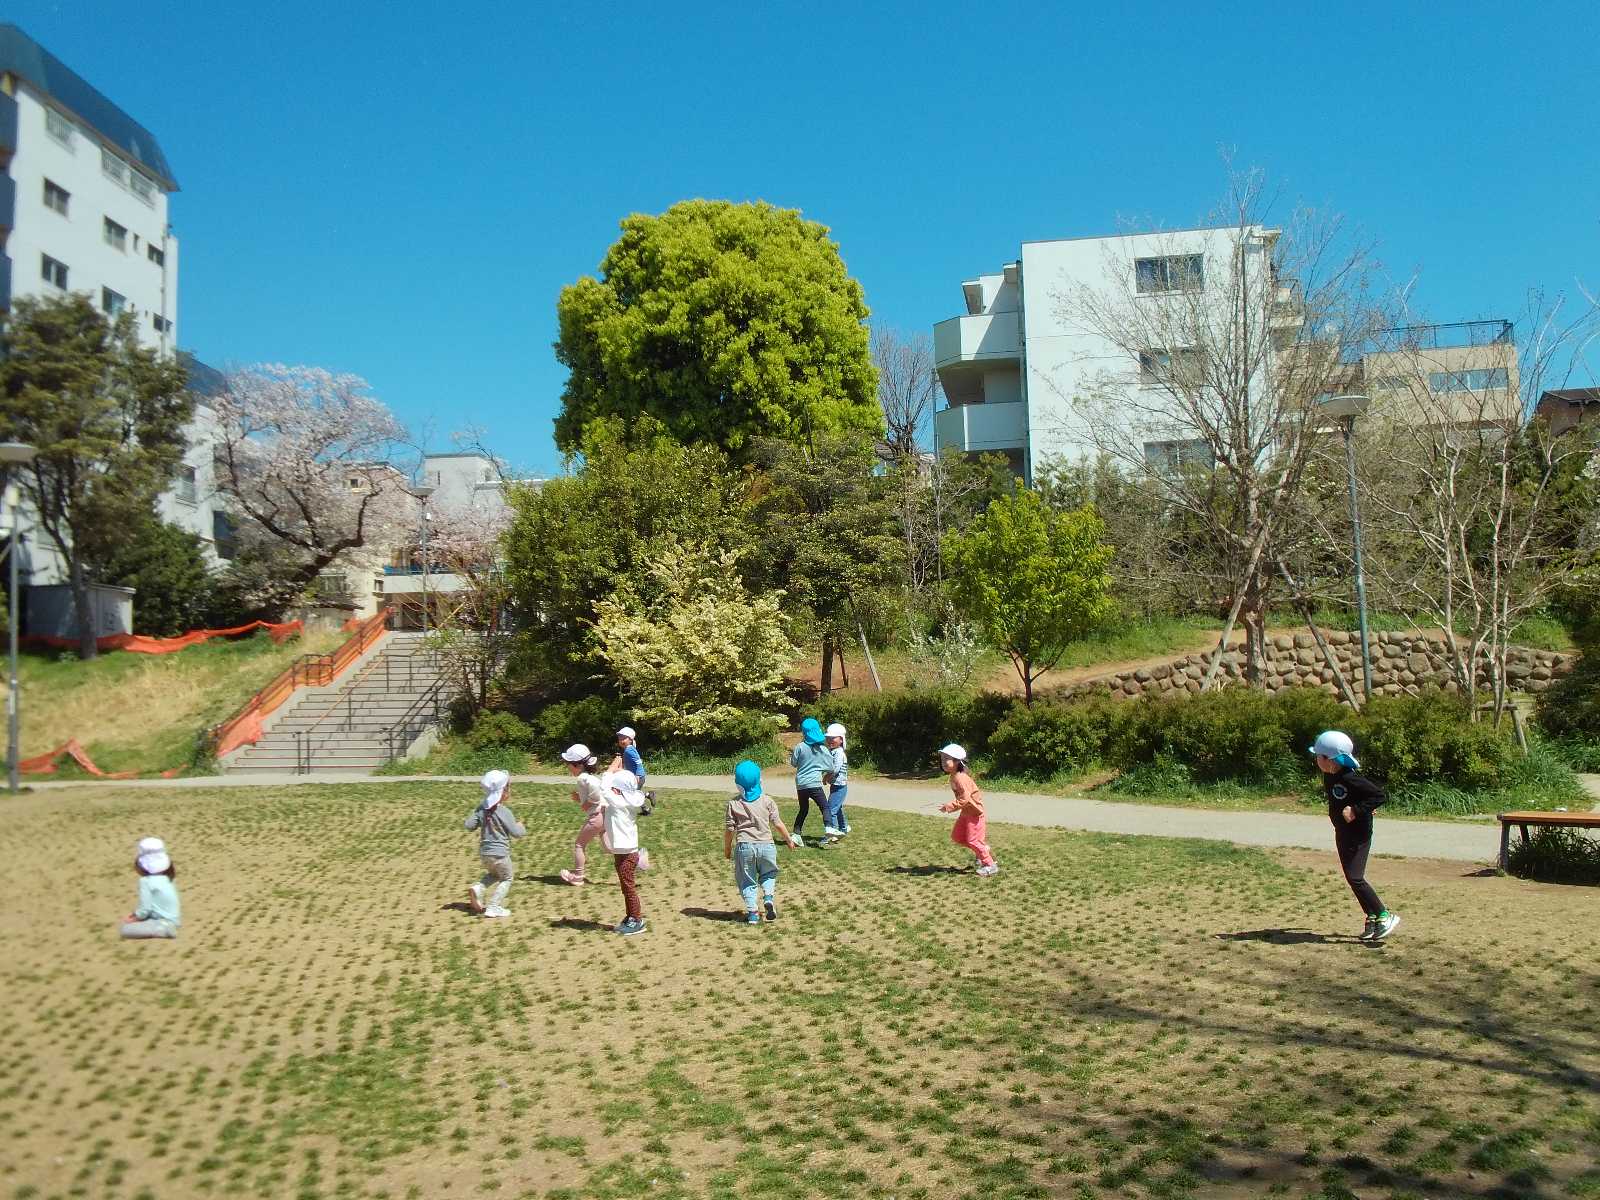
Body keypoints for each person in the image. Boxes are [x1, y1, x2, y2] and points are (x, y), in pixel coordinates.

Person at [1310, 730, 1399, 941]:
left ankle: (1385, 915)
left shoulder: (1351, 778)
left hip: (1358, 834)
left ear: (1330, 759)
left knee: (1356, 877)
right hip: (1342, 832)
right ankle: (1372, 918)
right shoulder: (1330, 775)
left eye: (1319, 756)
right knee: (1352, 878)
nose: (1316, 759)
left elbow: (1378, 795)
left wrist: (1357, 810)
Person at [724, 760, 801, 924]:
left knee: (747, 880)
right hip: (767, 846)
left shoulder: (733, 804)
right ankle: (768, 897)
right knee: (769, 874)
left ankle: (752, 913)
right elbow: (778, 823)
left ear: (738, 784)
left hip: (745, 847)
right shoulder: (768, 801)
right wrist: (789, 840)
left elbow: (730, 830)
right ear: (759, 780)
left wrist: (728, 850)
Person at [598, 760, 651, 936]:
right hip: (624, 851)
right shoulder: (626, 801)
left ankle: (636, 920)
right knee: (625, 886)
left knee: (628, 887)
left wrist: (610, 770)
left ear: (618, 791)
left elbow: (603, 788)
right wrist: (618, 774)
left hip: (626, 853)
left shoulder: (618, 802)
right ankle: (630, 917)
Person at [464, 768, 524, 918]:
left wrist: (477, 811)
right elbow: (516, 833)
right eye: (508, 787)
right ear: (503, 791)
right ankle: (494, 906)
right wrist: (521, 827)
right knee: (507, 878)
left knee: (493, 874)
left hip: (485, 853)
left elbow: (469, 825)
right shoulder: (505, 812)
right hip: (500, 854)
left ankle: (478, 888)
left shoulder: (481, 809)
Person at [938, 744, 999, 876]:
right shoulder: (954, 776)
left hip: (975, 814)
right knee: (957, 837)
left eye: (946, 759)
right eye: (942, 758)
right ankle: (983, 850)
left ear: (956, 761)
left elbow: (964, 799)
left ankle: (990, 865)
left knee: (973, 840)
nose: (943, 762)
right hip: (966, 813)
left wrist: (948, 807)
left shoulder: (960, 778)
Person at [559, 745, 608, 886]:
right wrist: (580, 799)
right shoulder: (589, 777)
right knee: (610, 847)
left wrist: (583, 803)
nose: (567, 767)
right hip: (604, 815)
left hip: (596, 817)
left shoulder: (582, 778)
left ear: (578, 765)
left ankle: (578, 876)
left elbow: (595, 797)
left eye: (568, 764)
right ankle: (637, 859)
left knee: (579, 844)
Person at [121, 837, 181, 939]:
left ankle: (163, 930)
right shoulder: (168, 878)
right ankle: (164, 928)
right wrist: (135, 914)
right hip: (175, 919)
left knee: (125, 929)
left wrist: (133, 919)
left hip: (162, 921)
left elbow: (145, 910)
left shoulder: (145, 881)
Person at [789, 717, 833, 845]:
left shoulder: (800, 747)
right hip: (814, 784)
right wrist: (824, 772)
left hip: (801, 785)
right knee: (824, 806)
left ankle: (796, 834)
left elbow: (794, 763)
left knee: (803, 809)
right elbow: (831, 767)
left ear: (804, 732)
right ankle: (829, 827)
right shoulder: (823, 749)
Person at [823, 722, 850, 841]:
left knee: (831, 809)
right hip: (836, 785)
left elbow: (835, 769)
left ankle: (832, 833)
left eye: (833, 738)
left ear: (841, 739)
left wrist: (827, 776)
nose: (830, 740)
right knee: (837, 807)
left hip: (840, 786)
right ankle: (843, 828)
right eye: (828, 738)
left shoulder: (839, 753)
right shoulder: (834, 751)